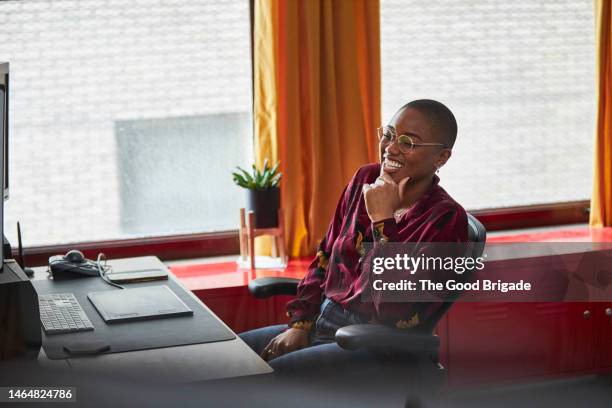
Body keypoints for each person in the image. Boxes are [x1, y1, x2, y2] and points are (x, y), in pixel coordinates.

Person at [240, 99, 468, 374]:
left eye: (408, 142)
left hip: (376, 345)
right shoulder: (365, 178)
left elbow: (395, 309)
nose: (391, 148)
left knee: (265, 381)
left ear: (441, 158)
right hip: (322, 322)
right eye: (389, 134)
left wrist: (382, 222)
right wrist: (300, 324)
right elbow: (325, 256)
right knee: (225, 361)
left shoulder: (446, 219)